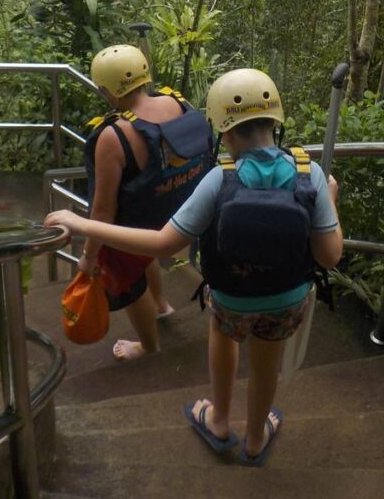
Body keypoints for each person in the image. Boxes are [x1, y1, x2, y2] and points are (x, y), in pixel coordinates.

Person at [46, 67, 343, 466]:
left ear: (223, 129)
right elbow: (329, 256)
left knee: (223, 336)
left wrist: (82, 224)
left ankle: (219, 421)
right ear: (276, 121)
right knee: (266, 362)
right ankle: (256, 439)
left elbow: (164, 242)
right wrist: (331, 200)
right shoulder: (310, 174)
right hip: (286, 298)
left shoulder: (220, 179)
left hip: (230, 297)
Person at [80, 44, 213, 361]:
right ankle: (162, 305)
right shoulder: (178, 102)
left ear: (107, 91)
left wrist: (88, 256)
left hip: (142, 220)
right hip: (179, 211)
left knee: (126, 268)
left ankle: (149, 346)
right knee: (145, 250)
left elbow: (103, 210)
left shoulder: (115, 136)